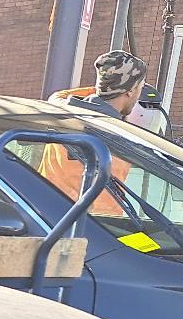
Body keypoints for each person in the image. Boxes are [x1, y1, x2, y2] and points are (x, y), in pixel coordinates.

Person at [39, 50, 147, 216]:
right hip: (100, 227)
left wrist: (103, 88)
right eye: (140, 87)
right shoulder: (120, 134)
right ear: (130, 91)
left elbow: (58, 96)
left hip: (46, 215)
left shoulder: (61, 112)